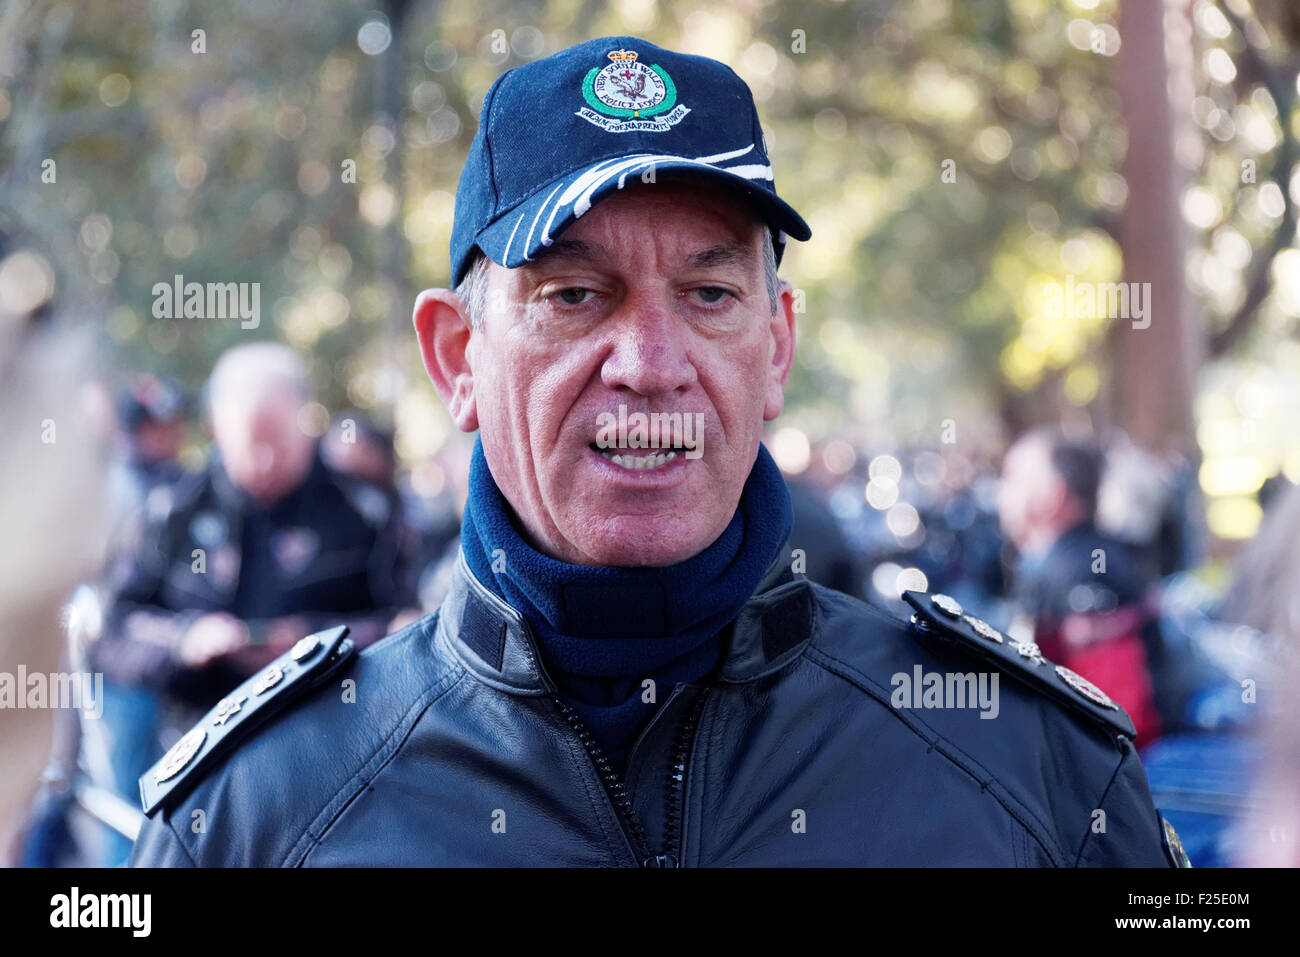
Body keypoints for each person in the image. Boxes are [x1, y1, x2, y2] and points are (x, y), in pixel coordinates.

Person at [131, 37, 1180, 867]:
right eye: (575, 295)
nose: (648, 361)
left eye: (710, 294)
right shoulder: (253, 816)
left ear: (775, 350)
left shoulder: (1025, 766)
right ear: (456, 359)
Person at [93, 343, 416, 720]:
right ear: (216, 427)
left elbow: (410, 625)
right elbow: (114, 630)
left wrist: (318, 640)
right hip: (199, 739)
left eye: (278, 442)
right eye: (251, 444)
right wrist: (186, 639)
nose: (265, 462)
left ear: (305, 420)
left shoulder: (364, 511)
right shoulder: (171, 511)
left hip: (337, 731)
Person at [997, 428, 1164, 743]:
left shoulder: (1079, 572)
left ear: (1053, 496)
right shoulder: (1084, 558)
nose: (1000, 492)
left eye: (1012, 478)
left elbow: (1117, 722)